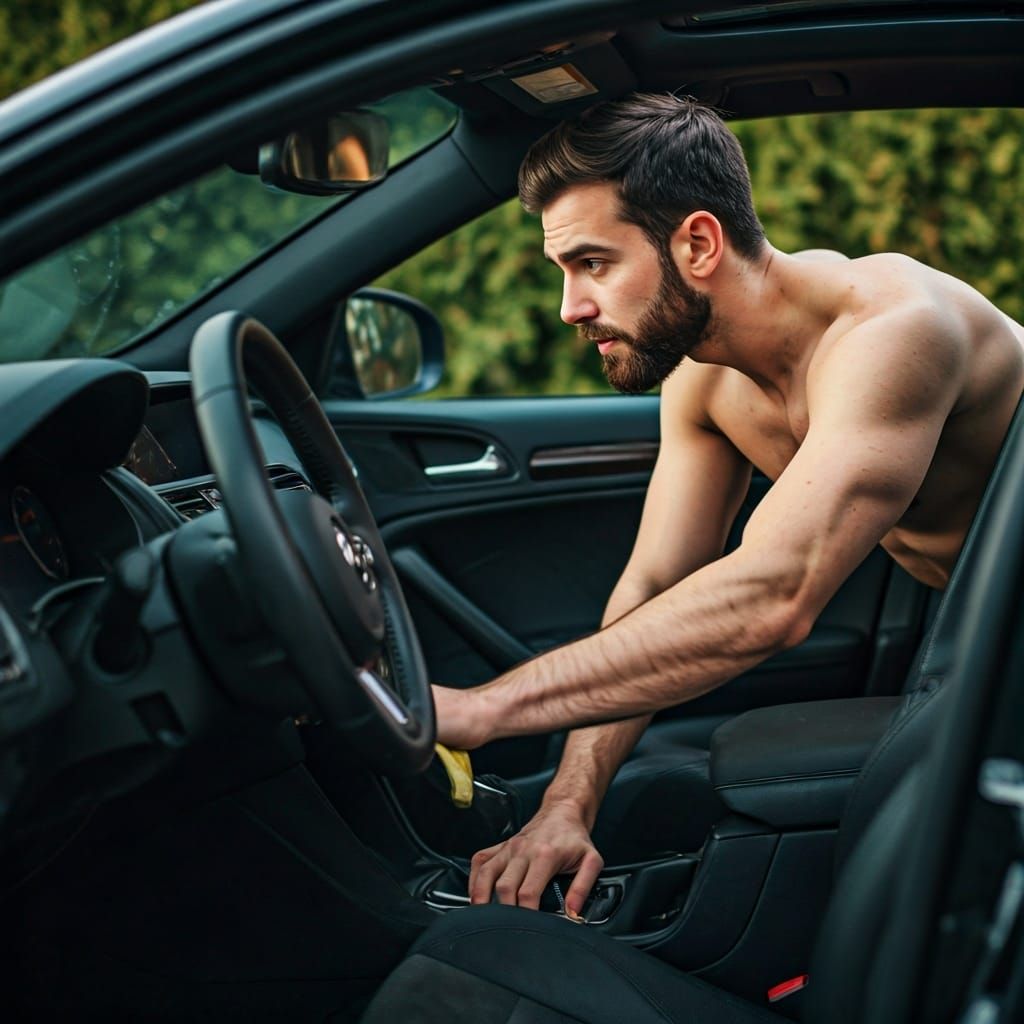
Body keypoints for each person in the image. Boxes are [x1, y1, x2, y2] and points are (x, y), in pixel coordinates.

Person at [431, 93, 1024, 920]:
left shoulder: (895, 329)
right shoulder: (704, 384)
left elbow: (772, 596)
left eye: (593, 264)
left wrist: (483, 709)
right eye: (563, 272)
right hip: (986, 648)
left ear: (699, 243)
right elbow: (652, 591)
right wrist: (567, 804)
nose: (570, 307)